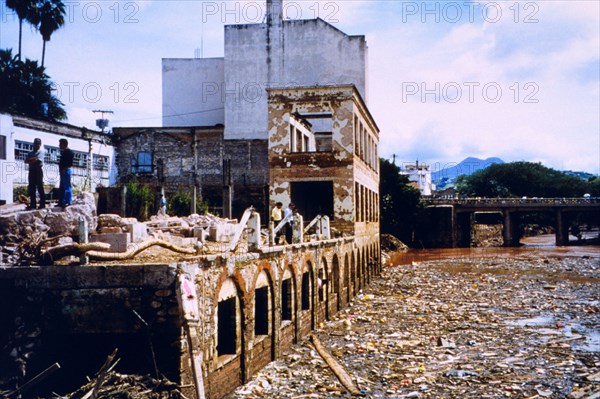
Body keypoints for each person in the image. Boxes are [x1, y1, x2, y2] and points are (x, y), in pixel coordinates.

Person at [24, 138, 46, 210]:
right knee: (32, 188)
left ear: (40, 145)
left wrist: (31, 160)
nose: (37, 145)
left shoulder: (41, 151)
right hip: (32, 170)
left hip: (38, 170)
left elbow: (38, 160)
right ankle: (33, 205)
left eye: (38, 144)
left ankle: (42, 204)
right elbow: (26, 161)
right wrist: (32, 159)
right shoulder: (30, 153)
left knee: (40, 187)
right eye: (36, 144)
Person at [58, 138, 74, 208]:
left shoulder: (69, 152)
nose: (59, 145)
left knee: (67, 186)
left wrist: (64, 169)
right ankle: (61, 201)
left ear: (63, 144)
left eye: (60, 144)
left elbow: (69, 163)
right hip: (63, 171)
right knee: (62, 187)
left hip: (66, 170)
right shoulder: (64, 152)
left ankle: (68, 201)